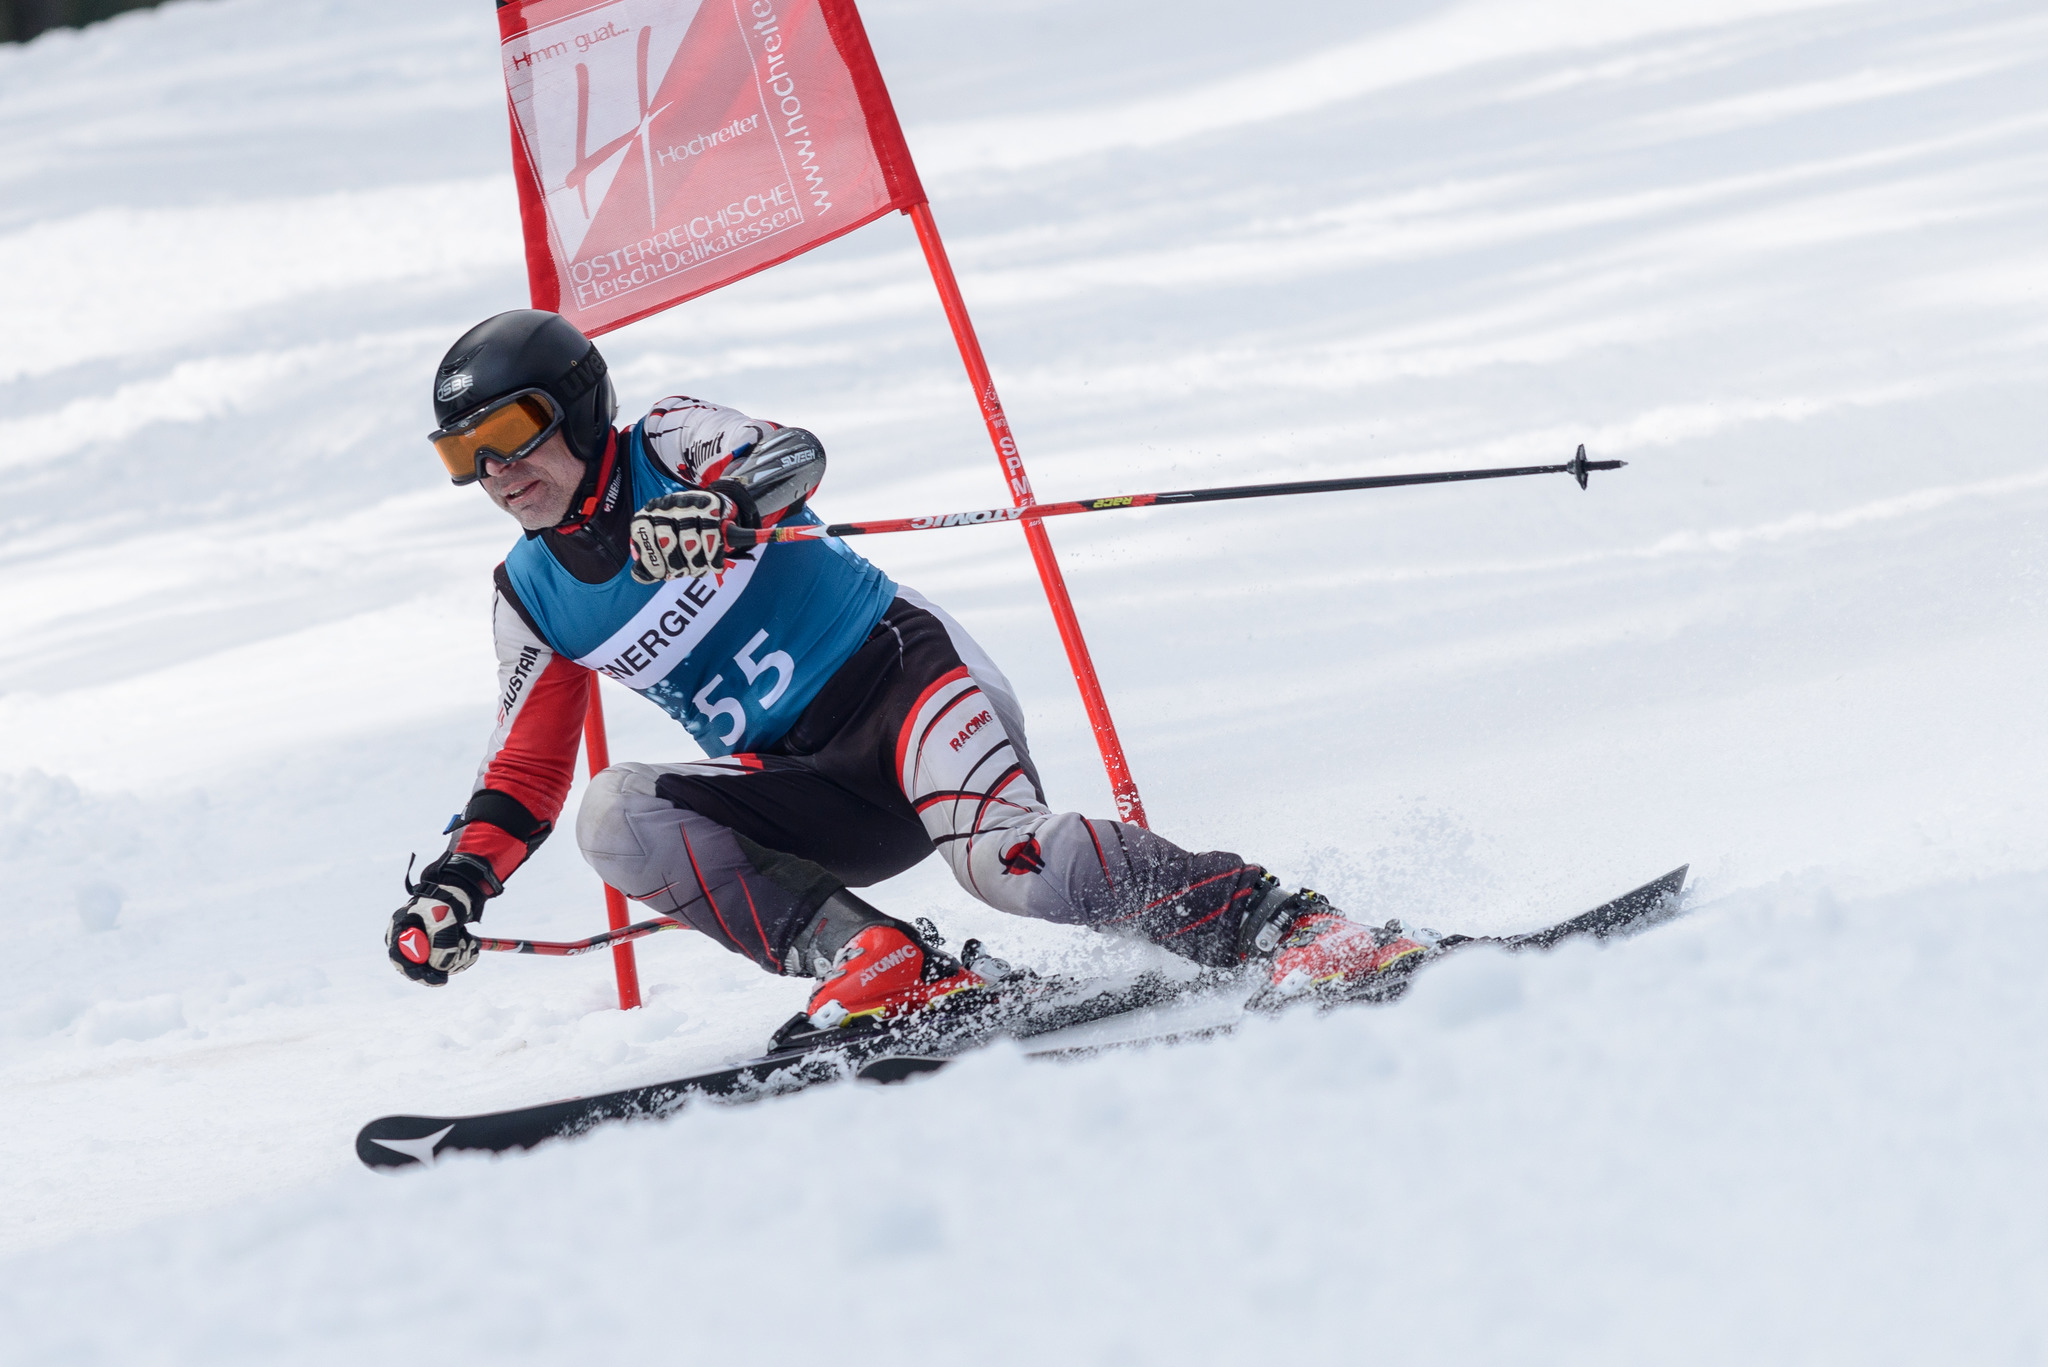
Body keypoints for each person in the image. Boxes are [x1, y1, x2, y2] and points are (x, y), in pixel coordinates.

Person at [386, 310, 1423, 1027]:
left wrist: (729, 505)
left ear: (572, 406)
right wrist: (454, 886)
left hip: (904, 686)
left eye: (510, 431)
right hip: (806, 784)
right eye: (459, 454)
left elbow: (792, 456)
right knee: (613, 814)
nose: (494, 471)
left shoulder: (665, 438)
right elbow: (524, 771)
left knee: (1017, 868)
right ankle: (883, 964)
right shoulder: (532, 592)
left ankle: (1284, 922)